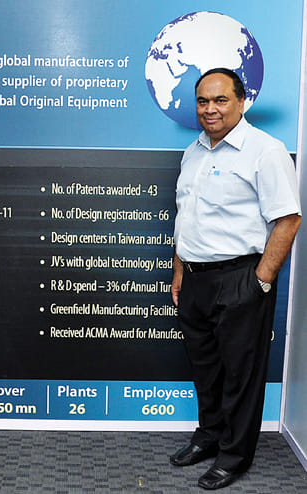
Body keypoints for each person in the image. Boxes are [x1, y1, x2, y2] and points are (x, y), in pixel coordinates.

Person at [169, 67, 302, 490]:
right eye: (203, 101)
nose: (210, 109)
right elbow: (186, 217)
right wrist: (179, 272)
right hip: (195, 280)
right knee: (205, 369)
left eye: (220, 100)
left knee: (241, 376)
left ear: (242, 102)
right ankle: (208, 437)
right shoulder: (193, 152)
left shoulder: (265, 151)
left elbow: (288, 218)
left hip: (240, 279)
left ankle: (234, 456)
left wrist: (261, 281)